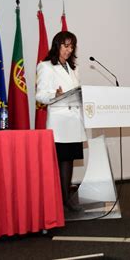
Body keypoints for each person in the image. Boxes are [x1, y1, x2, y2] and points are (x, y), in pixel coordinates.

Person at [36, 31, 87, 212]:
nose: (69, 50)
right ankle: (59, 199)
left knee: (69, 159)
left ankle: (65, 197)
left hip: (74, 120)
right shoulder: (46, 66)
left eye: (71, 46)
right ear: (57, 45)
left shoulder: (74, 68)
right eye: (66, 46)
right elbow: (40, 95)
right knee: (60, 160)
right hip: (59, 122)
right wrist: (54, 95)